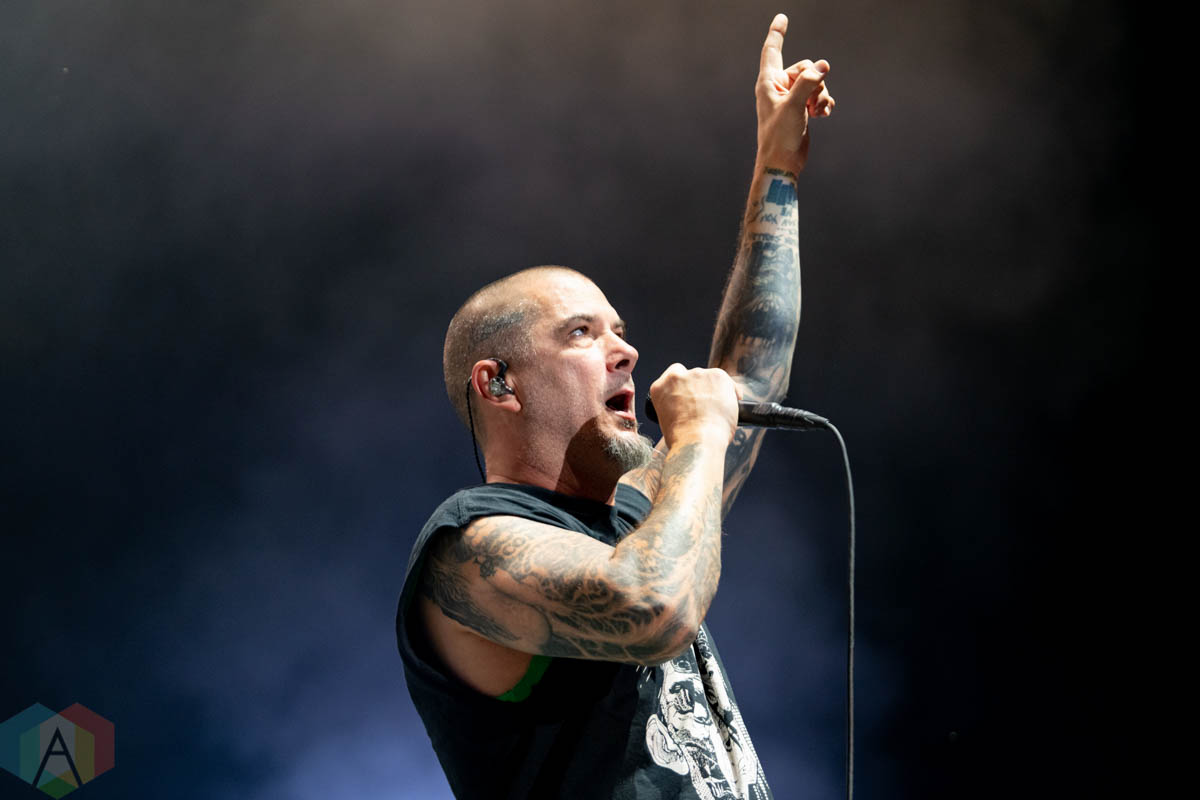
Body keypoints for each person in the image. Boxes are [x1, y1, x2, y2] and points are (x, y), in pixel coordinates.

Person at [396, 13, 834, 799]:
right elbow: (653, 607)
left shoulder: (640, 517)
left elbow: (750, 378)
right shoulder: (467, 548)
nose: (625, 352)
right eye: (581, 333)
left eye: (621, 333)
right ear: (498, 384)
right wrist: (695, 437)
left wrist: (777, 169)